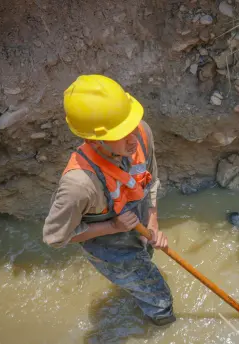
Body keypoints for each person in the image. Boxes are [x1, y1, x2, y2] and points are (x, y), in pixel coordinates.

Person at [42, 74, 175, 326]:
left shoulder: (142, 133)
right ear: (94, 139)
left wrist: (153, 224)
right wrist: (112, 227)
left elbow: (152, 182)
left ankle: (139, 287)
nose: (132, 139)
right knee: (159, 299)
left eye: (130, 126)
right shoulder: (79, 184)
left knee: (147, 271)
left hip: (139, 228)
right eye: (121, 134)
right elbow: (56, 238)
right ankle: (163, 323)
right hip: (111, 249)